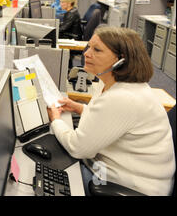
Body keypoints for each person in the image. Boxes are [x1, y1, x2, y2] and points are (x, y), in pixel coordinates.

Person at [47, 27, 175, 196]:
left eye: (97, 50)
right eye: (89, 47)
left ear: (121, 61)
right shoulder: (111, 83)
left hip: (127, 186)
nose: (86, 53)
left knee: (53, 172)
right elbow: (111, 121)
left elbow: (77, 148)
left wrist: (55, 120)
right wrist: (81, 108)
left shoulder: (123, 98)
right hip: (116, 171)